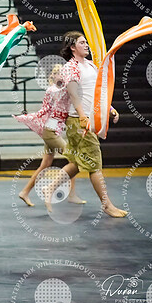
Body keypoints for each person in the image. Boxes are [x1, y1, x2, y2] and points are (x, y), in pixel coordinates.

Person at [43, 32, 126, 217]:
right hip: (79, 122)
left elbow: (96, 91)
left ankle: (49, 188)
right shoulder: (70, 68)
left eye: (86, 42)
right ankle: (107, 205)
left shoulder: (90, 65)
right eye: (82, 42)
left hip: (86, 120)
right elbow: (74, 94)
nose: (87, 45)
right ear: (73, 47)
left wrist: (109, 108)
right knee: (94, 164)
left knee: (77, 161)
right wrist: (82, 118)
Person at [14, 64, 84, 207]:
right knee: (75, 160)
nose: (64, 77)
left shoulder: (57, 89)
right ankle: (61, 191)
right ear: (54, 76)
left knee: (45, 165)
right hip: (51, 133)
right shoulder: (54, 90)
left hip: (51, 131)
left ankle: (25, 192)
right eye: (60, 74)